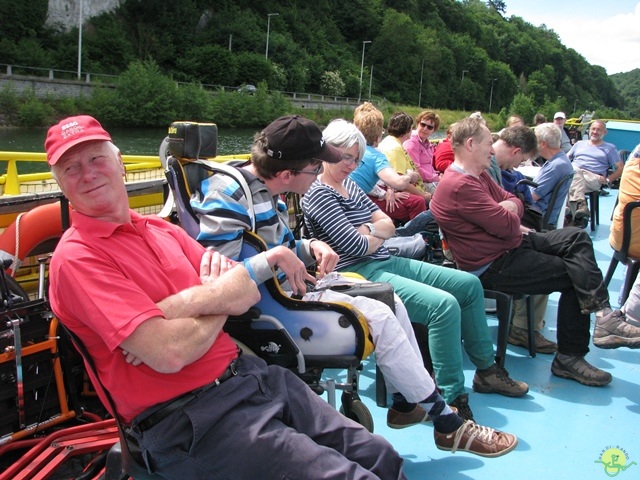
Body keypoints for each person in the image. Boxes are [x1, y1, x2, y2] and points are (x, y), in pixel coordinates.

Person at [46, 114, 408, 480]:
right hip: (188, 420)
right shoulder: (77, 259)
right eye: (71, 167)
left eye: (96, 159)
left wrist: (185, 307)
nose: (87, 173)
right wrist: (218, 295)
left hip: (251, 378)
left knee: (382, 457)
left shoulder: (160, 231)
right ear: (59, 183)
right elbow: (171, 352)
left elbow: (244, 292)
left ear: (119, 162)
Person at [190, 114, 517, 455]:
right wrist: (274, 259)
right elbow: (218, 276)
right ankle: (446, 423)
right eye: (316, 168)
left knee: (391, 301)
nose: (320, 175)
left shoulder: (273, 190)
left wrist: (307, 246)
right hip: (273, 309)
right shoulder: (228, 195)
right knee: (381, 318)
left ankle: (406, 404)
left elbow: (280, 246)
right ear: (287, 173)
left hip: (296, 286)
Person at [303, 118, 529, 423]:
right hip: (356, 273)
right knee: (443, 306)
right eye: (345, 157)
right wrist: (377, 232)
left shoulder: (349, 186)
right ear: (328, 153)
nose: (351, 164)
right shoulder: (319, 193)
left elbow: (388, 224)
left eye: (356, 158)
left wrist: (371, 229)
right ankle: (451, 397)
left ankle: (487, 371)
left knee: (467, 286)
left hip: (384, 259)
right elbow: (353, 249)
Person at [430, 117, 640, 388]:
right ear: (470, 145)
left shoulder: (478, 175)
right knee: (573, 275)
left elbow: (514, 199)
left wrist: (508, 208)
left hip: (511, 245)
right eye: (488, 143)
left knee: (575, 236)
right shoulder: (460, 185)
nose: (493, 149)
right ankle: (569, 358)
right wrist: (507, 211)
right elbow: (507, 224)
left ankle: (603, 316)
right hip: (493, 264)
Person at [491, 126, 556, 354]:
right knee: (546, 265)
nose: (518, 167)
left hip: (493, 241)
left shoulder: (491, 167)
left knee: (548, 253)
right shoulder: (487, 169)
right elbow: (493, 217)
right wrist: (525, 232)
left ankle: (522, 324)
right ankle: (522, 328)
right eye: (521, 160)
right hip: (486, 250)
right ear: (516, 151)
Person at [350, 103, 429, 227]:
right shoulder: (376, 156)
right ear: (377, 136)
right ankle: (415, 239)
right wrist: (409, 176)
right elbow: (399, 182)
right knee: (417, 203)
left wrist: (388, 191)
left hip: (355, 196)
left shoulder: (350, 148)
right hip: (362, 200)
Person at [567, 120, 623, 223]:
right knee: (573, 174)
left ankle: (570, 211)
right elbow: (565, 159)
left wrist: (607, 179)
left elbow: (620, 168)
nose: (595, 132)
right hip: (575, 175)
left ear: (604, 132)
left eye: (599, 130)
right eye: (593, 129)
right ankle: (580, 207)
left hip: (593, 177)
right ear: (589, 130)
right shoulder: (579, 144)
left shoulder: (609, 148)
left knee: (571, 176)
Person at [531, 122, 574, 228]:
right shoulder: (560, 160)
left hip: (536, 216)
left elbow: (532, 197)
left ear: (543, 144)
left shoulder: (556, 166)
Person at [403, 110, 441, 190]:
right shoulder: (412, 142)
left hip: (431, 180)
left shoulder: (428, 145)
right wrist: (436, 178)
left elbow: (429, 166)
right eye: (423, 124)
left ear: (433, 130)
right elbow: (416, 168)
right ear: (417, 124)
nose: (425, 128)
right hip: (418, 183)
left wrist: (438, 175)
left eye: (430, 127)